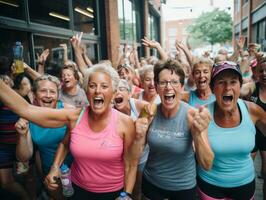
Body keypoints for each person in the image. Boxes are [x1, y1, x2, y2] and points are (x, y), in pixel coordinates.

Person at [0, 63, 140, 200]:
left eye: (104, 86)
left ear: (113, 92)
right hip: (78, 190)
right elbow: (25, 110)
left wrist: (127, 194)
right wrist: (55, 167)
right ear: (86, 91)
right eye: (92, 86)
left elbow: (131, 164)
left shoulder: (125, 123)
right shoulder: (75, 117)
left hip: (113, 193)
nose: (97, 91)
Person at [136, 59, 214, 200]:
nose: (168, 87)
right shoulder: (148, 112)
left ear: (181, 87)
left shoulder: (192, 116)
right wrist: (137, 135)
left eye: (174, 82)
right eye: (163, 82)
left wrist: (198, 134)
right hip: (152, 184)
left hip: (183, 188)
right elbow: (136, 153)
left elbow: (207, 164)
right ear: (157, 86)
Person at [197, 61, 266, 200]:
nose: (227, 87)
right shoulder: (202, 114)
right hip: (210, 185)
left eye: (233, 82)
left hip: (244, 185)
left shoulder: (252, 110)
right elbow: (203, 162)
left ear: (240, 86)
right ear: (212, 88)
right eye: (221, 82)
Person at [15, 75, 73, 199]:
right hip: (50, 175)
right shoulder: (29, 116)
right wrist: (23, 135)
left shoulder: (69, 112)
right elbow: (24, 156)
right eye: (43, 91)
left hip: (76, 171)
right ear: (34, 94)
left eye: (52, 92)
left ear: (57, 95)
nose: (48, 95)